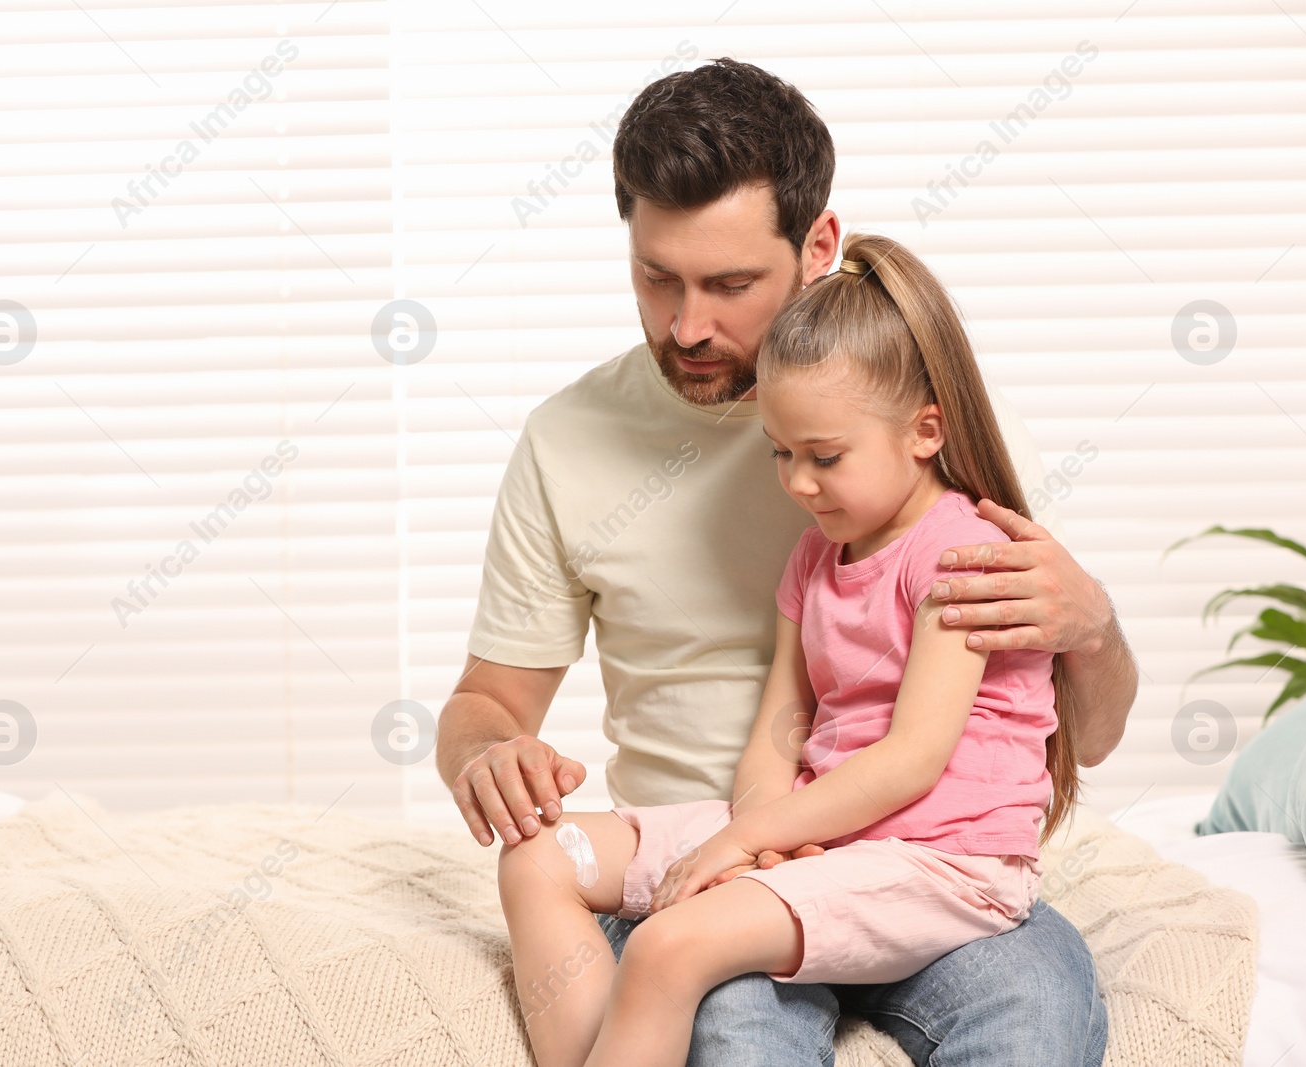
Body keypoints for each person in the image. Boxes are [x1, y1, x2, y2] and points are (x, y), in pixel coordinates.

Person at [438, 57, 1135, 1067]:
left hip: (924, 851)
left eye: (728, 284)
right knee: (729, 1015)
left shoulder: (936, 446)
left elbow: (1080, 733)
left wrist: (1093, 626)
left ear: (819, 246)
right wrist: (486, 752)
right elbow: (486, 701)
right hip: (730, 845)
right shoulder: (568, 441)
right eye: (655, 276)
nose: (687, 325)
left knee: (1034, 1008)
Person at [499, 231, 1080, 1067]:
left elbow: (911, 759)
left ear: (925, 431)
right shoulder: (815, 554)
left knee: (670, 944)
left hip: (941, 858)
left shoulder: (961, 557)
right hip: (828, 832)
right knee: (538, 858)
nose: (798, 483)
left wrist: (746, 845)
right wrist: (760, 827)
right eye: (781, 451)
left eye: (825, 457)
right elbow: (783, 719)